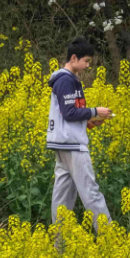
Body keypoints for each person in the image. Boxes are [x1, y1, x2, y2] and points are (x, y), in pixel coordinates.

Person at [46, 37, 113, 231]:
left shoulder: (65, 80)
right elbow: (69, 113)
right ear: (73, 58)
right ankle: (109, 238)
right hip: (72, 146)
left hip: (62, 144)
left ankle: (60, 243)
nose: (87, 66)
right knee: (91, 193)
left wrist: (91, 122)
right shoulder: (66, 80)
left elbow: (68, 114)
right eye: (86, 61)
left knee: (62, 200)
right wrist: (94, 112)